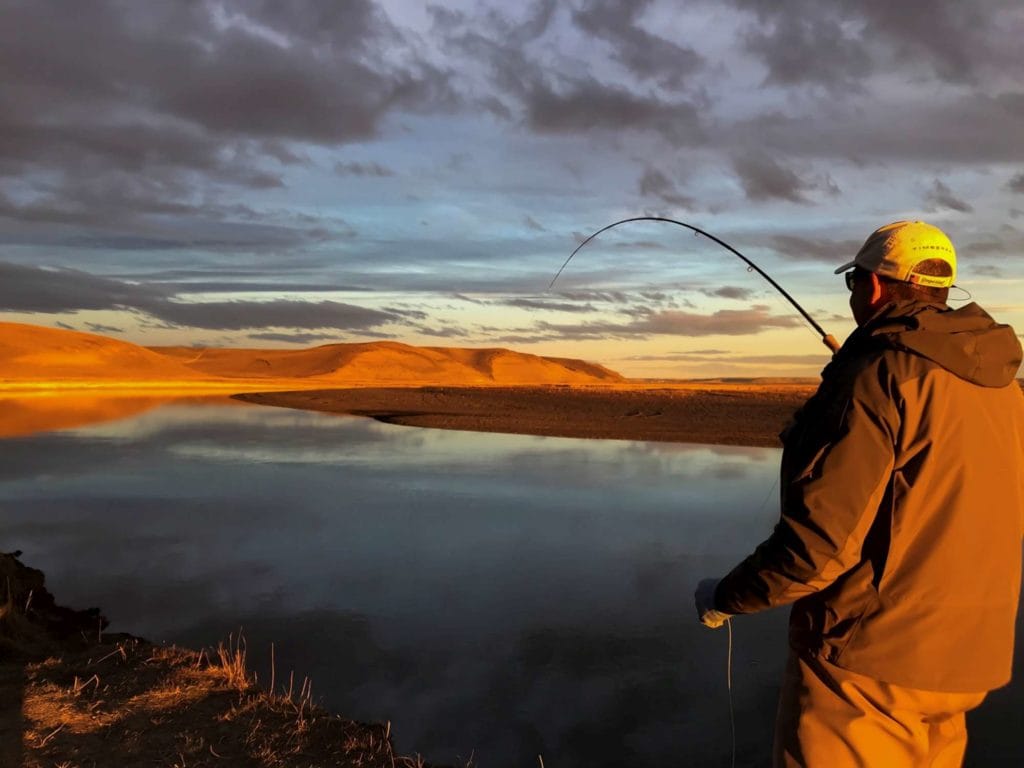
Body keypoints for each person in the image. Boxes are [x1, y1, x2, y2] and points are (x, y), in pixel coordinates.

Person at [694, 220, 1024, 767]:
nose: (853, 296)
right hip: (968, 665)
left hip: (867, 667)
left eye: (853, 284)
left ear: (872, 287)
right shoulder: (1003, 389)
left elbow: (817, 549)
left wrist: (724, 598)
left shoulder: (878, 376)